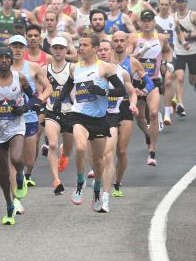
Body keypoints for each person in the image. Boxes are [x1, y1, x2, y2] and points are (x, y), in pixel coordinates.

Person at [52, 34, 126, 212]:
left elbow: (121, 90)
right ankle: (80, 182)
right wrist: (59, 101)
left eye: (85, 45)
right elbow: (68, 87)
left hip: (99, 120)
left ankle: (98, 189)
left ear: (94, 48)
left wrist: (103, 91)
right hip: (79, 116)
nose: (80, 48)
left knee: (98, 160)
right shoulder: (74, 69)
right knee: (80, 148)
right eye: (80, 45)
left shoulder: (105, 68)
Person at [0, 47, 39, 224]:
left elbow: (34, 98)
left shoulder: (20, 78)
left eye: (6, 58)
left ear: (11, 61)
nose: (3, 60)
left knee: (17, 158)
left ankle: (20, 175)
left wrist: (24, 108)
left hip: (16, 126)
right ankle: (9, 206)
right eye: (0, 58)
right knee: (2, 173)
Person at [97, 38, 138, 212]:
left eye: (107, 49)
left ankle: (111, 189)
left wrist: (133, 103)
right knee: (96, 157)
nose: (104, 52)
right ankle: (98, 182)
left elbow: (131, 92)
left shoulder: (122, 72)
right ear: (96, 52)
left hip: (116, 113)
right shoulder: (90, 71)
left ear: (112, 51)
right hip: (95, 117)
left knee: (114, 153)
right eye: (100, 50)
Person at [128, 11, 172, 166]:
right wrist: (141, 52)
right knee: (139, 118)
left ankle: (152, 151)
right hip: (136, 83)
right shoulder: (134, 38)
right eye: (144, 20)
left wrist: (167, 64)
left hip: (152, 81)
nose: (146, 23)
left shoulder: (160, 38)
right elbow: (127, 59)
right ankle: (148, 135)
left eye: (149, 20)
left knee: (153, 113)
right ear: (140, 23)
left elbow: (168, 51)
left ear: (154, 22)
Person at [9, 35, 51, 191]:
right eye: (14, 46)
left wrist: (37, 101)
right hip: (9, 118)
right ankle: (14, 196)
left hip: (29, 117)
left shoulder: (33, 67)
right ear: (10, 48)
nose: (17, 50)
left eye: (21, 47)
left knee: (29, 160)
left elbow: (49, 88)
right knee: (13, 158)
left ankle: (23, 174)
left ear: (25, 49)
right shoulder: (4, 67)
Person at [110, 30, 149, 196]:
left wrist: (144, 90)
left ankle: (117, 183)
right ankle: (103, 178)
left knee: (122, 151)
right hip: (108, 106)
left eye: (121, 41)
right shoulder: (105, 61)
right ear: (112, 43)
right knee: (108, 149)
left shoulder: (133, 62)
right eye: (116, 41)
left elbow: (149, 82)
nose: (119, 43)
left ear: (127, 43)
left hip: (125, 106)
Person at [43, 37, 74, 196]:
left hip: (70, 112)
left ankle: (64, 155)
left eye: (61, 48)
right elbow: (39, 90)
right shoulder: (44, 70)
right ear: (51, 50)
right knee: (53, 144)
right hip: (52, 112)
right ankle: (56, 181)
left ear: (66, 50)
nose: (58, 51)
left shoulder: (73, 68)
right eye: (55, 48)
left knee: (68, 149)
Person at [173, 0, 196, 116]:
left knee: (191, 80)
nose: (180, 4)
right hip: (179, 52)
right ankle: (181, 105)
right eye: (178, 2)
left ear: (186, 2)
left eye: (182, 2)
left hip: (193, 51)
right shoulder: (173, 17)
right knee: (179, 77)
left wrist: (189, 35)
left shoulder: (193, 15)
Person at [155, 0, 177, 125]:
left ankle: (167, 114)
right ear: (158, 5)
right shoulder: (154, 21)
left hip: (170, 55)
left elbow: (178, 33)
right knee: (157, 87)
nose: (163, 6)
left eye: (166, 4)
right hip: (156, 57)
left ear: (169, 5)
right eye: (161, 4)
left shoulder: (173, 20)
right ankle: (155, 113)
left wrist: (184, 42)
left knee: (168, 81)